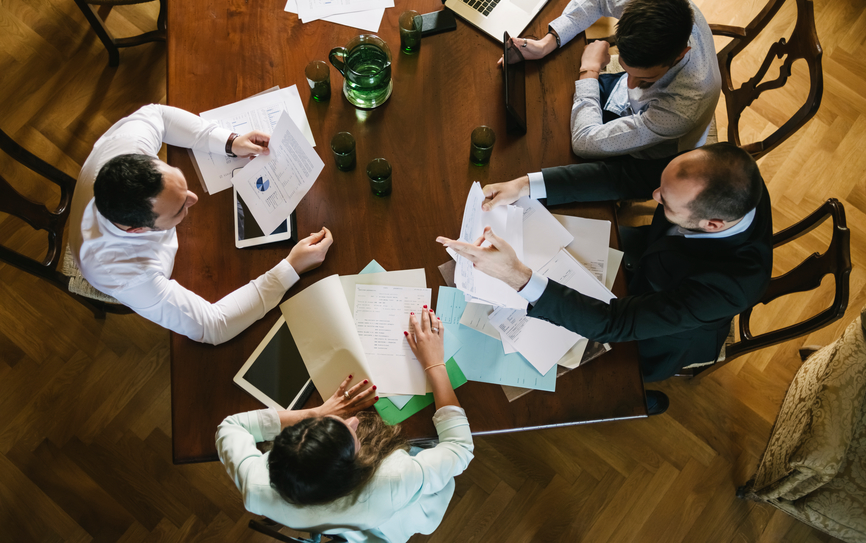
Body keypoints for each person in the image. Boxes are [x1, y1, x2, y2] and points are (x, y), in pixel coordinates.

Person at [437, 143, 773, 412]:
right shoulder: (715, 173)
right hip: (650, 256)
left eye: (665, 201)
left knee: (587, 383)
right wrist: (525, 186)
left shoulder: (733, 285)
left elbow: (616, 324)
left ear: (713, 224)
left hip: (656, 335)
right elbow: (623, 176)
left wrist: (519, 278)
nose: (654, 195)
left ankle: (632, 399)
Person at [68, 104, 334, 345]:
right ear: (138, 230)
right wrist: (291, 267)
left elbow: (157, 114)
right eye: (179, 209)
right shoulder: (128, 275)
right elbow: (214, 326)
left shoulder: (127, 146)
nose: (194, 199)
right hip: (158, 272)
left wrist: (229, 142)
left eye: (182, 186)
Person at [216, 307, 474, 542]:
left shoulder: (256, 487)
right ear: (355, 465)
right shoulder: (395, 476)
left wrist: (316, 412)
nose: (352, 420)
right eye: (352, 431)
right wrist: (435, 364)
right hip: (388, 517)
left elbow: (230, 427)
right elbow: (460, 448)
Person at [504, 0, 721, 160]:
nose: (629, 84)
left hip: (656, 151)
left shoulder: (683, 109)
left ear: (680, 55)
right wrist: (546, 45)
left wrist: (589, 69)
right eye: (627, 70)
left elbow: (584, 142)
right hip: (636, 110)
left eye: (646, 77)